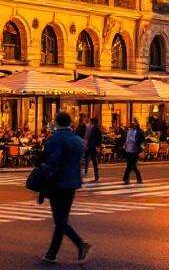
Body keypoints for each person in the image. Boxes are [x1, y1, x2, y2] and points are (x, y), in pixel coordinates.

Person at [39, 111, 92, 265]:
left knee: (60, 220)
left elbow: (51, 162)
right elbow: (80, 160)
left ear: (56, 123)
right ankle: (51, 254)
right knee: (61, 219)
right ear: (70, 123)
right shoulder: (78, 140)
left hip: (57, 183)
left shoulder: (54, 139)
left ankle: (80, 244)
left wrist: (43, 182)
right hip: (72, 182)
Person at [120, 118, 145, 185]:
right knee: (130, 165)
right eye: (131, 123)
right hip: (128, 149)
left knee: (132, 165)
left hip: (135, 150)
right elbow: (126, 139)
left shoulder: (139, 131)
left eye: (133, 123)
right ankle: (132, 179)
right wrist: (125, 145)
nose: (132, 124)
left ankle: (126, 179)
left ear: (136, 124)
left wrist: (141, 148)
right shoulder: (128, 131)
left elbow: (142, 140)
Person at [82, 117, 103, 182]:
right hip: (91, 146)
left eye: (90, 121)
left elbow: (97, 138)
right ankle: (86, 172)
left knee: (93, 160)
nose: (89, 122)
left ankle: (95, 175)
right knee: (88, 159)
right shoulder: (94, 128)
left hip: (93, 147)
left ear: (92, 122)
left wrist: (97, 145)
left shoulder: (96, 128)